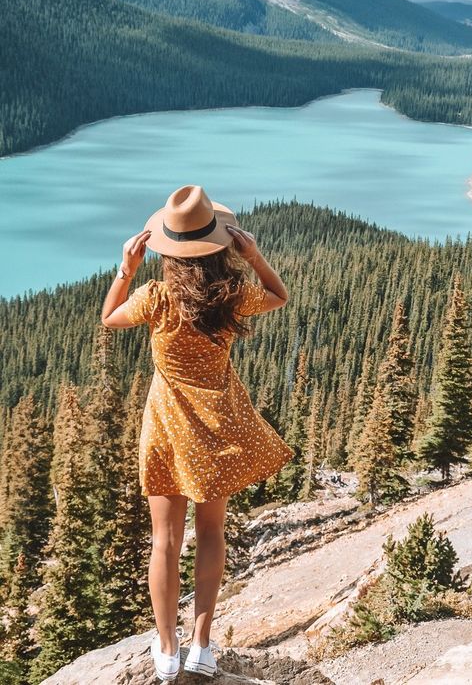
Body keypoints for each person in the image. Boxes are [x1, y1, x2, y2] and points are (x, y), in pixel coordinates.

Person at [101, 185, 294, 681]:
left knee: (164, 540)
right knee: (211, 532)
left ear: (168, 248)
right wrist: (253, 254)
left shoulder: (155, 298)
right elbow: (279, 295)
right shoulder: (231, 296)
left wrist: (127, 267)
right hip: (218, 429)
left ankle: (166, 650)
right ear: (218, 244)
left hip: (167, 425)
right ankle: (201, 646)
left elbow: (108, 318)